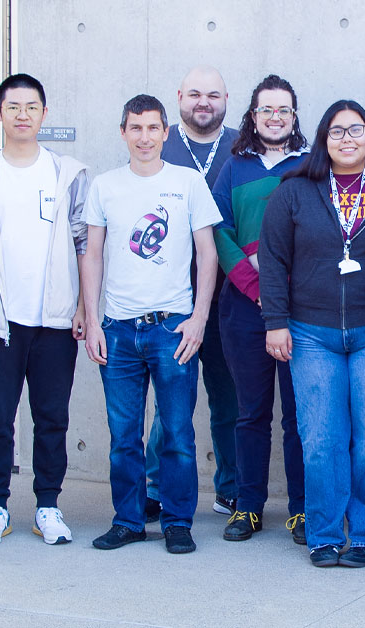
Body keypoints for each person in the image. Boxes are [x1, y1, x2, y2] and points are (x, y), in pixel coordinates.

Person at [260, 99, 365, 569]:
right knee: (321, 437)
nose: (348, 139)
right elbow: (273, 259)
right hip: (310, 333)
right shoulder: (296, 190)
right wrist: (276, 322)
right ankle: (324, 532)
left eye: (357, 130)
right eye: (338, 131)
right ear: (324, 139)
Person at [0, 73, 88, 547]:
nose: (23, 115)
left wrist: (84, 309)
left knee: (52, 417)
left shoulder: (68, 173)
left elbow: (85, 243)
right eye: (14, 106)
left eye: (32, 107)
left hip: (55, 320)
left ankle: (48, 506)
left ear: (44, 114)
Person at [83, 95, 221, 554]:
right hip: (118, 330)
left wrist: (198, 318)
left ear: (166, 132)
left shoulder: (187, 183)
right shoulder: (104, 186)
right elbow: (94, 255)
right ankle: (127, 520)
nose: (144, 137)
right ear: (123, 132)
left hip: (172, 329)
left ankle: (177, 521)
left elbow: (208, 254)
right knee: (124, 435)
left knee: (178, 433)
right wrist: (92, 319)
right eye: (135, 128)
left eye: (152, 128)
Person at [212, 75, 310, 544]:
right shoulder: (233, 168)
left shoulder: (313, 166)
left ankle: (302, 510)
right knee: (250, 413)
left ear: (294, 116)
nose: (275, 117)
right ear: (253, 116)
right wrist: (257, 289)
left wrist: (285, 297)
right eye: (266, 109)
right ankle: (248, 506)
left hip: (302, 312)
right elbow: (219, 234)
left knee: (300, 416)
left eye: (283, 110)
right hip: (245, 309)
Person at [144, 65, 241, 521]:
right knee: (170, 405)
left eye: (214, 95)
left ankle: (232, 490)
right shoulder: (157, 145)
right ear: (179, 96)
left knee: (230, 401)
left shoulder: (243, 146)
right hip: (170, 302)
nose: (204, 102)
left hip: (231, 301)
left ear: (227, 99)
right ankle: (155, 487)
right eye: (195, 94)